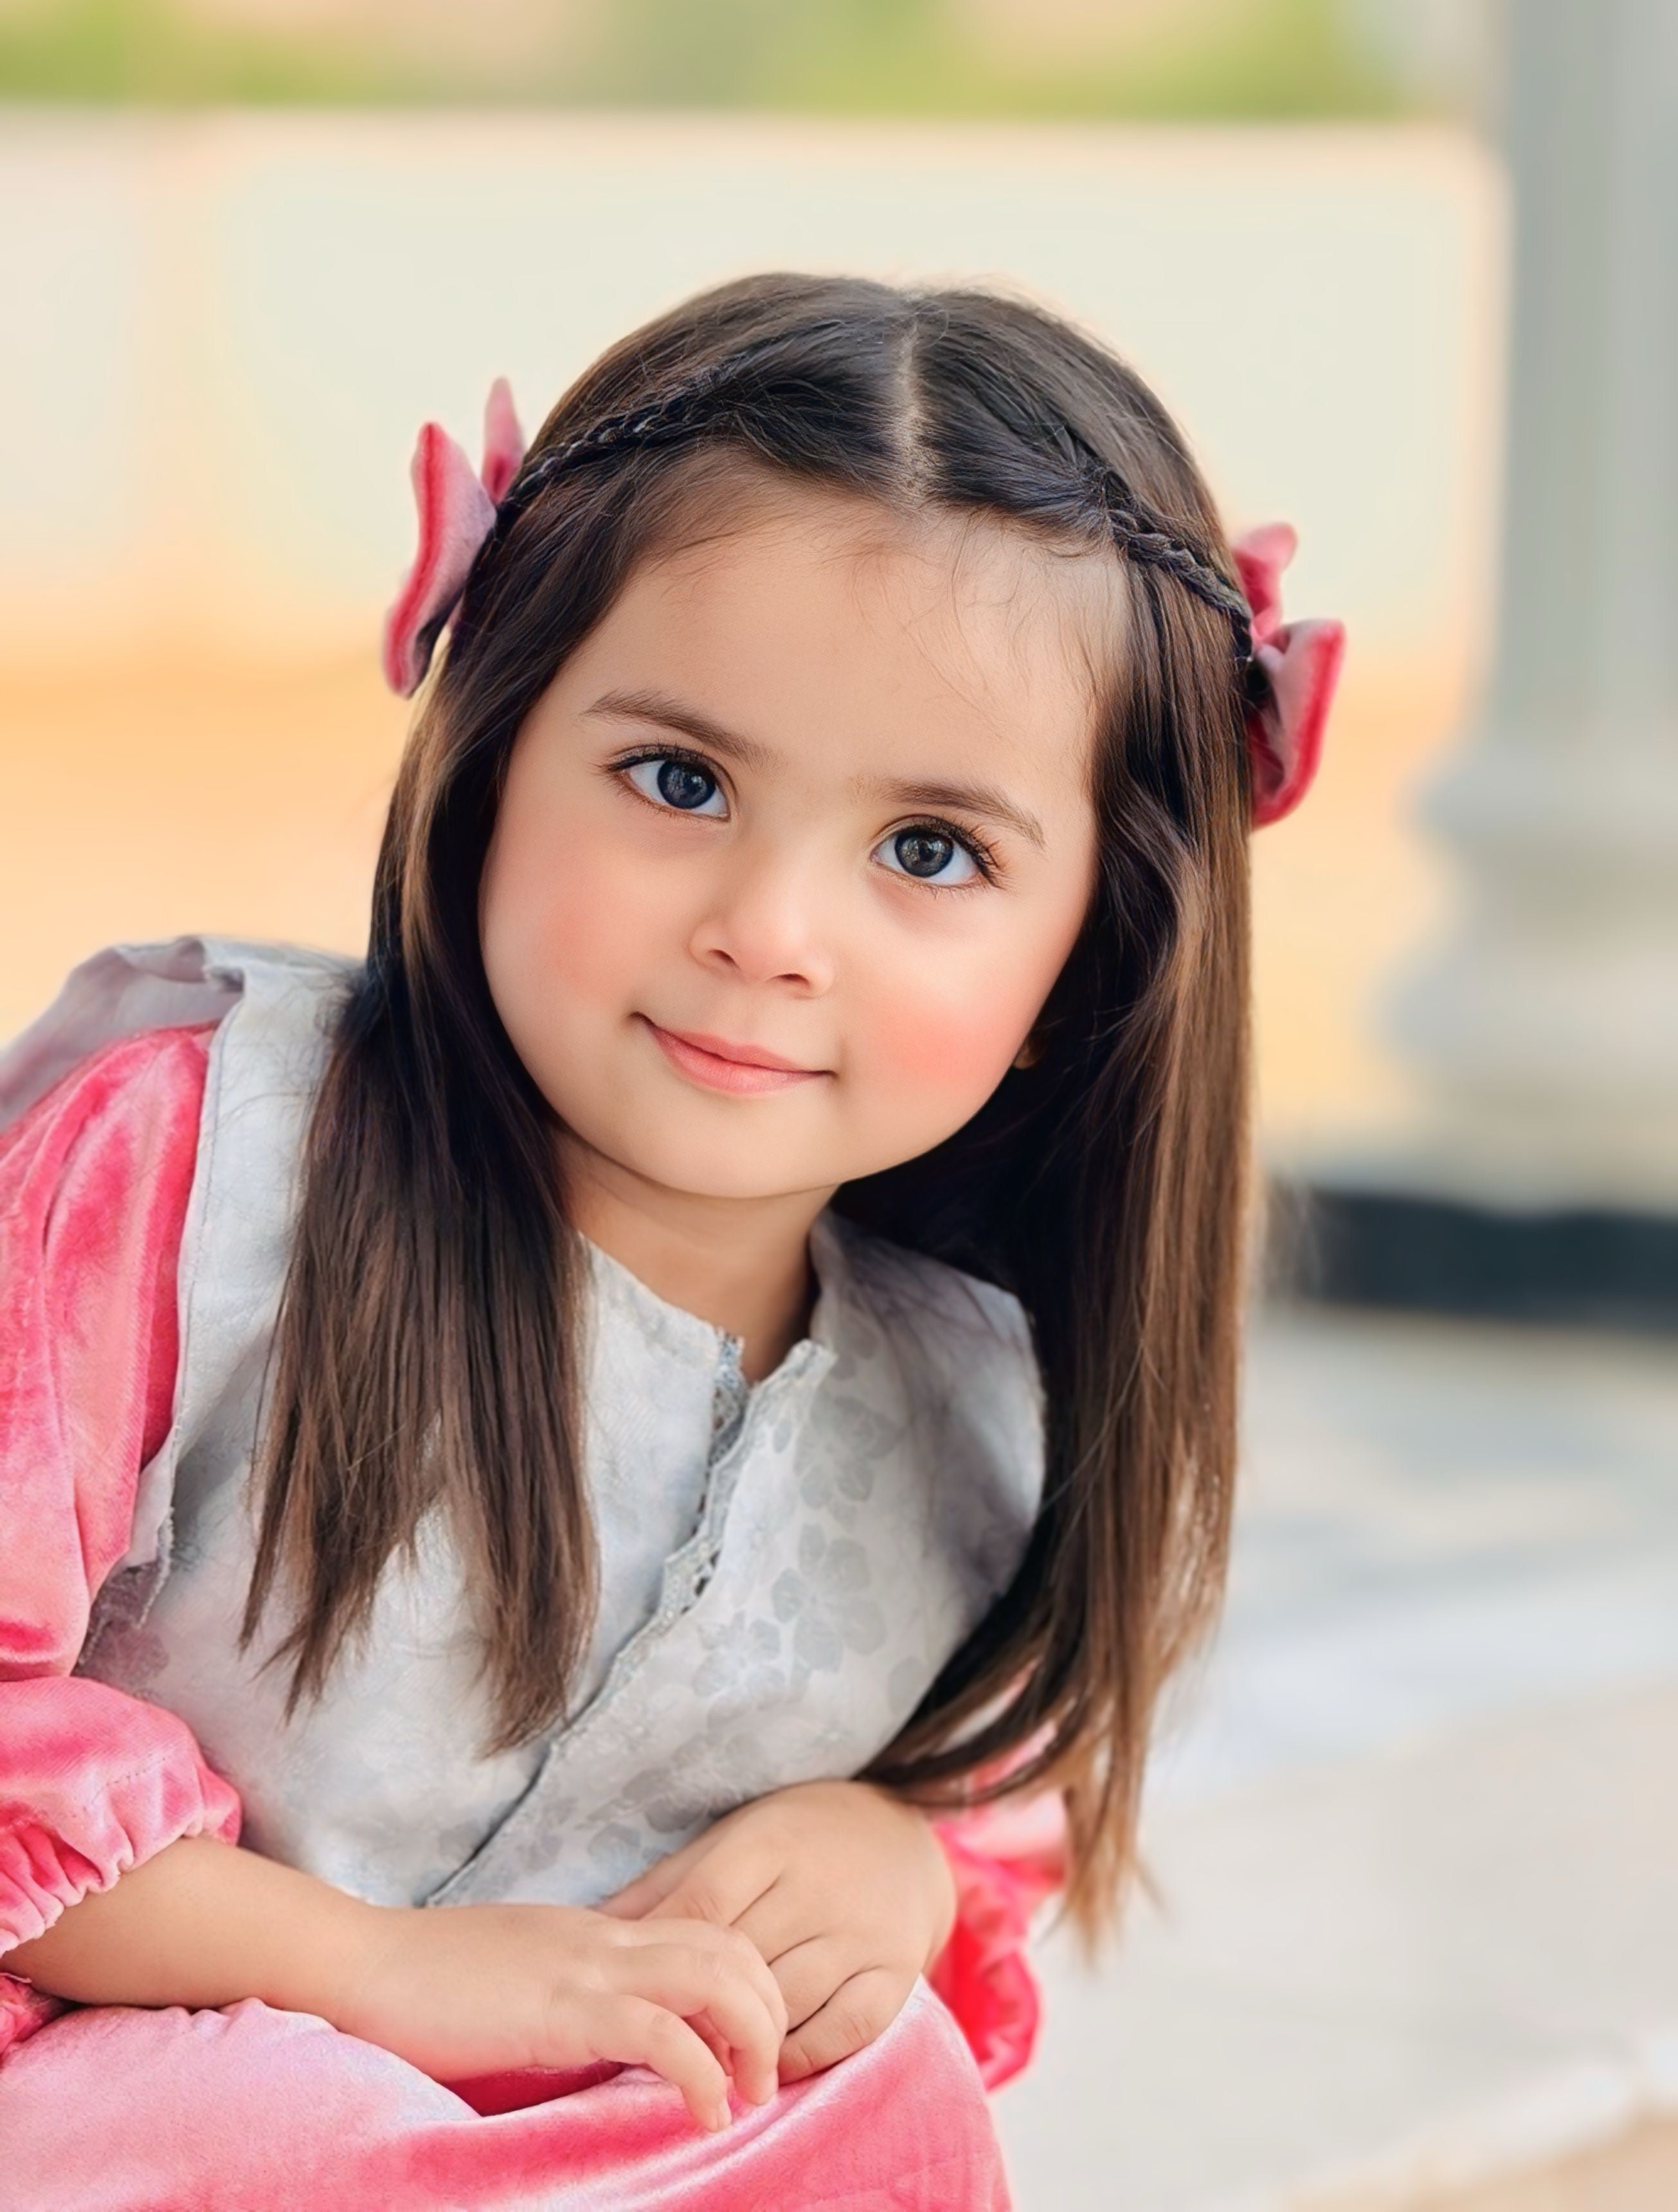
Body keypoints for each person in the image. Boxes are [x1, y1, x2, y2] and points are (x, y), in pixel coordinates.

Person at [0, 272, 1342, 2208]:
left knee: (886, 2088)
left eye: (930, 851)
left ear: (1092, 958)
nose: (768, 929)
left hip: (588, 2144)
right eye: (680, 781)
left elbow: (995, 1811)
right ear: (492, 751)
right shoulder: (195, 1168)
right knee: (282, 2131)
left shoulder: (976, 1412)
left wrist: (893, 1860)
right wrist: (368, 1972)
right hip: (115, 2101)